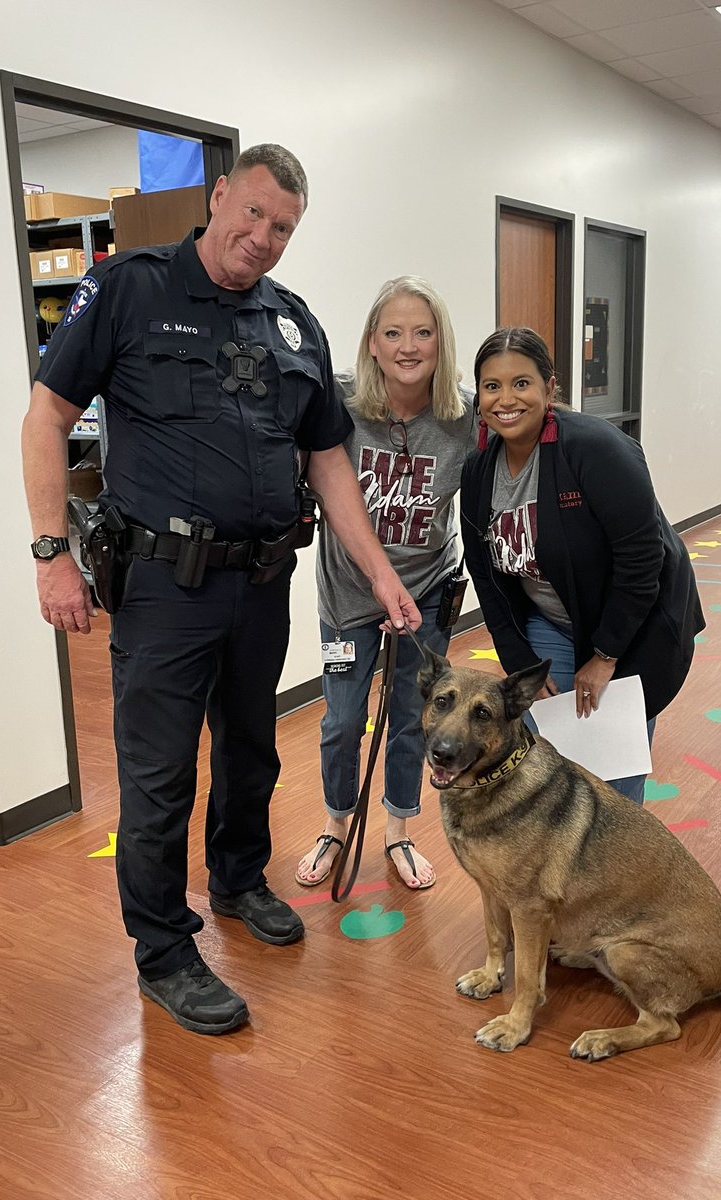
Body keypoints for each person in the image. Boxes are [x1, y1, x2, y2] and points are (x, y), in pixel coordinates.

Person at [21, 145, 421, 1037]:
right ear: (217, 198)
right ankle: (163, 949)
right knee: (159, 776)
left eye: (282, 227)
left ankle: (239, 879)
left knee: (250, 749)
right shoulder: (129, 287)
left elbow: (327, 460)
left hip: (261, 580)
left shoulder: (294, 324)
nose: (263, 237)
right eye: (252, 214)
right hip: (164, 585)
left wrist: (382, 571)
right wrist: (52, 552)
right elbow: (47, 415)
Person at [460, 326, 704, 805]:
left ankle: (618, 867)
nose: (506, 399)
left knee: (614, 774)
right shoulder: (479, 470)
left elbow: (643, 560)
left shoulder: (597, 450)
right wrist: (519, 660)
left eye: (521, 383)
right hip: (553, 617)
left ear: (550, 387)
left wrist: (606, 655)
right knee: (549, 760)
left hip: (632, 622)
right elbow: (486, 578)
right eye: (492, 386)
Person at [295, 277, 476, 891]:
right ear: (372, 342)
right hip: (346, 596)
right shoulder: (338, 404)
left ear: (440, 342)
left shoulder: (465, 416)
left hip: (425, 597)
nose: (407, 346)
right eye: (392, 332)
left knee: (411, 717)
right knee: (342, 720)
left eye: (422, 333)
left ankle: (399, 830)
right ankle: (335, 825)